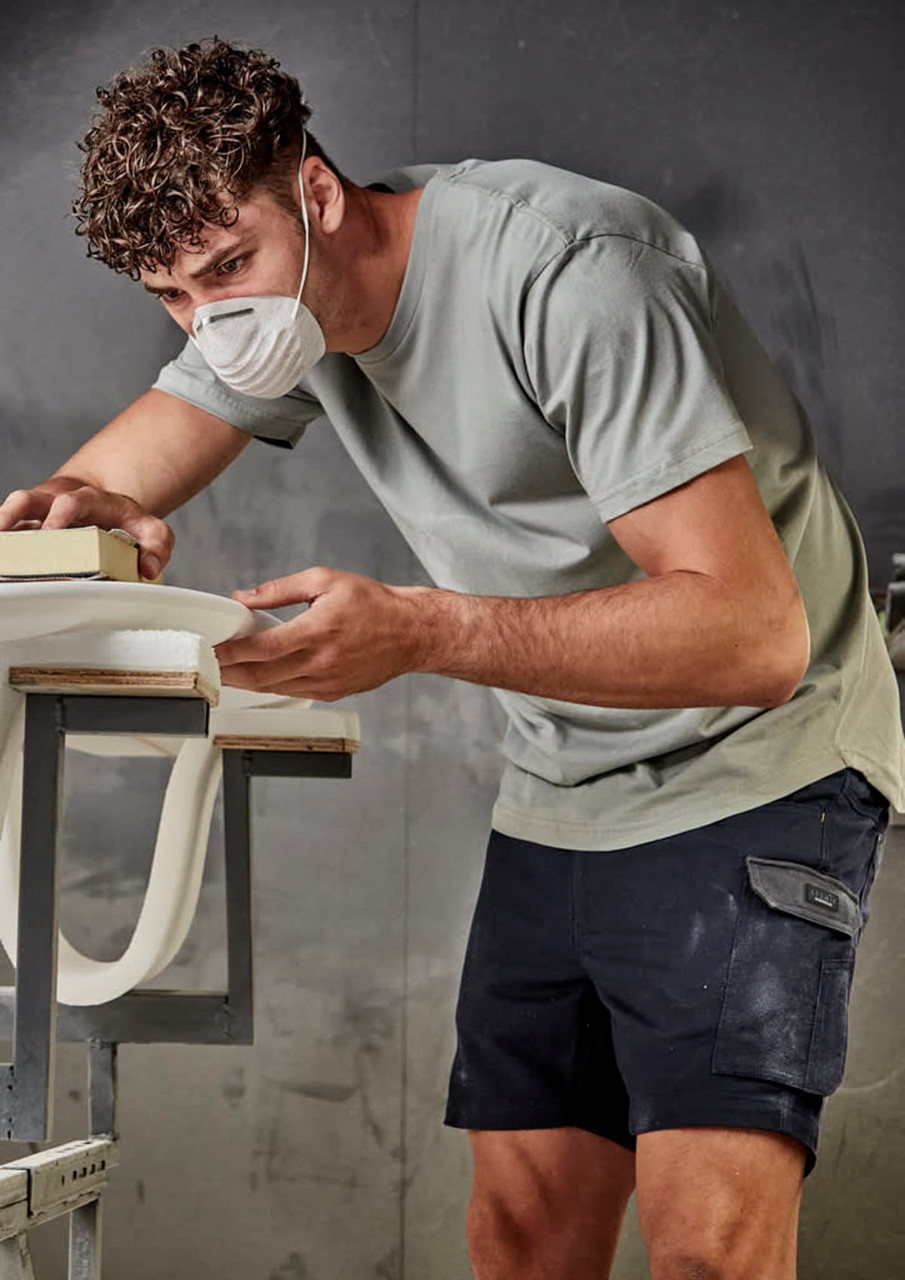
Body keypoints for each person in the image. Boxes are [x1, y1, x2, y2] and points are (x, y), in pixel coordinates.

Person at [2, 36, 901, 1280]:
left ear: (315, 194)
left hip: (755, 764)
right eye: (170, 296)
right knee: (521, 1241)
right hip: (562, 791)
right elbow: (108, 473)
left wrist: (424, 627)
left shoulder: (569, 272)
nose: (211, 323)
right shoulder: (273, 316)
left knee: (707, 1253)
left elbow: (750, 635)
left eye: (226, 268)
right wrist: (79, 504)